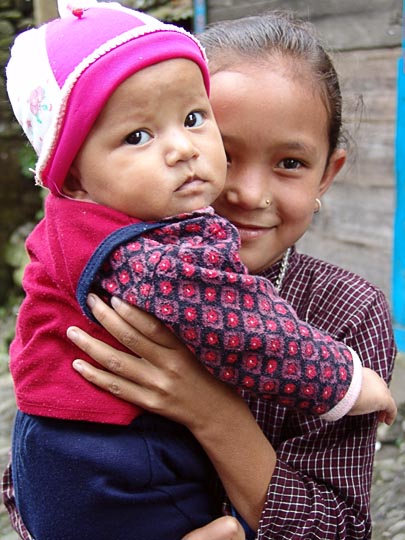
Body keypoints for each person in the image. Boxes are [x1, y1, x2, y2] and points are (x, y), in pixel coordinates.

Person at [2, 6, 396, 540]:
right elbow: (32, 481)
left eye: (290, 164)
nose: (247, 193)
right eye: (228, 154)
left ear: (329, 173)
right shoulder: (121, 265)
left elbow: (341, 531)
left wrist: (210, 411)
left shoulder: (345, 312)